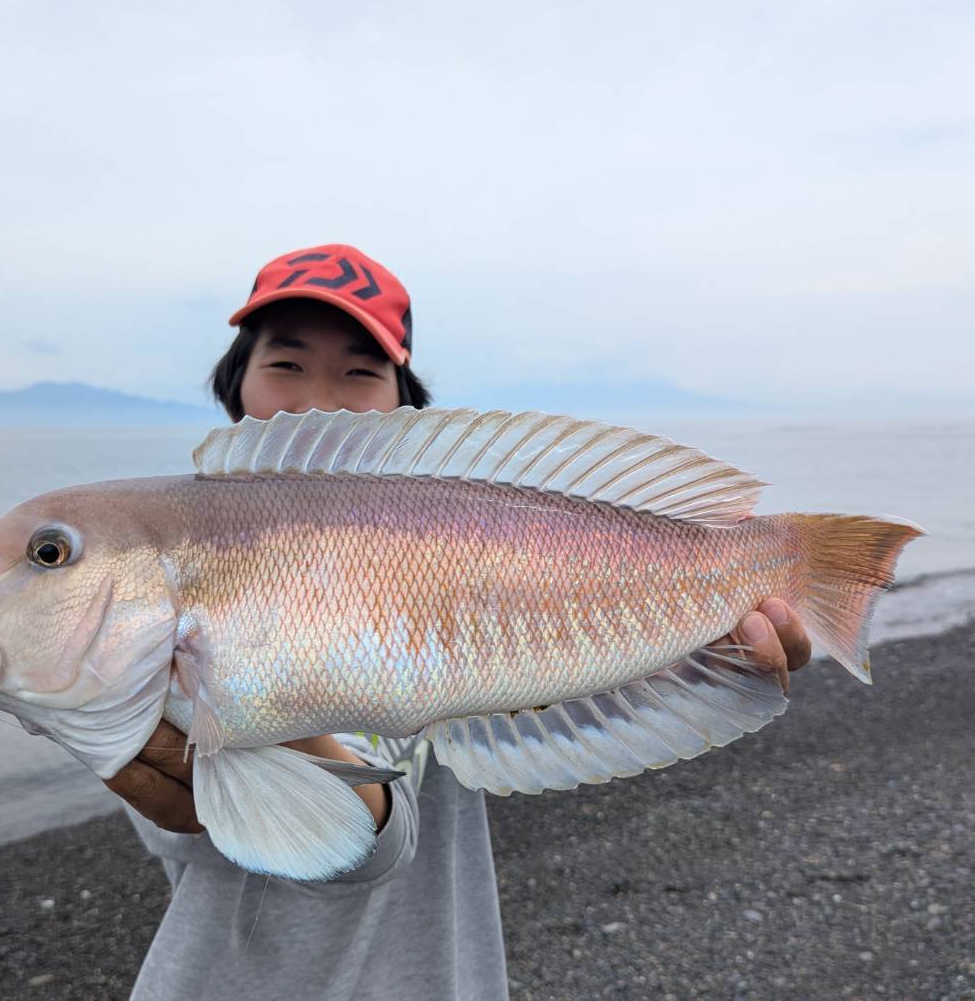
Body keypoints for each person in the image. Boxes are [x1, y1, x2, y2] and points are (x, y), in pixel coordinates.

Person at [106, 245, 812, 1000]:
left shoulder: (449, 536)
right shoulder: (159, 582)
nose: (318, 400)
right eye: (286, 363)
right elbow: (331, 840)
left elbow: (409, 806)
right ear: (234, 382)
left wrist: (693, 668)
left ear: (404, 406)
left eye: (360, 372)